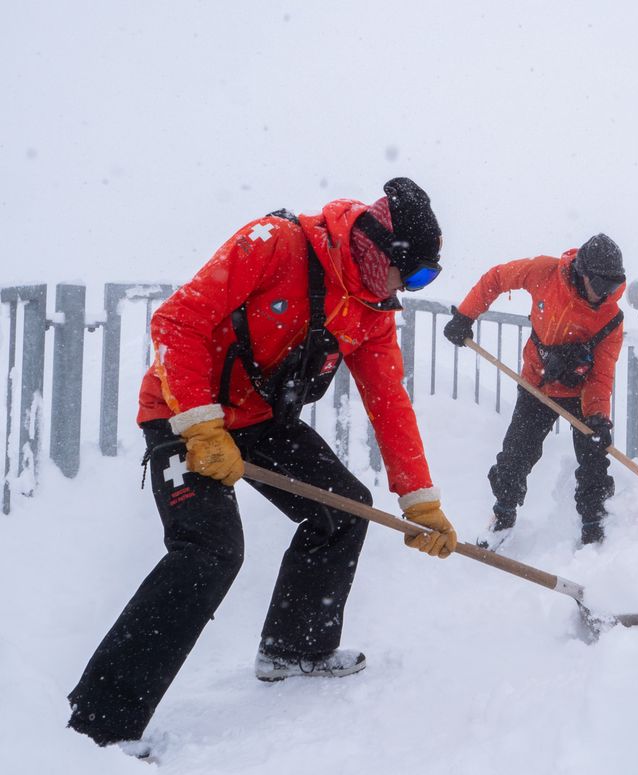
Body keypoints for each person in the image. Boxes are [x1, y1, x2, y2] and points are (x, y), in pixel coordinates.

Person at [67, 177, 458, 751]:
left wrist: (420, 499)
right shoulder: (274, 243)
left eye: (428, 279)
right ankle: (97, 728)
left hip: (257, 421)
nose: (413, 287)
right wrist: (200, 425)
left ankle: (294, 648)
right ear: (382, 252)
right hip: (183, 409)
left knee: (344, 511)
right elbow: (179, 321)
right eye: (416, 273)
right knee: (210, 550)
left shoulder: (370, 308)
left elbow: (389, 401)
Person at [443, 234, 626, 548]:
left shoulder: (611, 318)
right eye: (601, 285)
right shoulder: (545, 272)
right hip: (536, 384)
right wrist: (465, 315)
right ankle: (502, 517)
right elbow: (497, 278)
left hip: (580, 395)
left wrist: (598, 419)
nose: (606, 294)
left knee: (595, 463)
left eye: (613, 287)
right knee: (515, 456)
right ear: (583, 272)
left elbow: (602, 374)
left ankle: (594, 531)